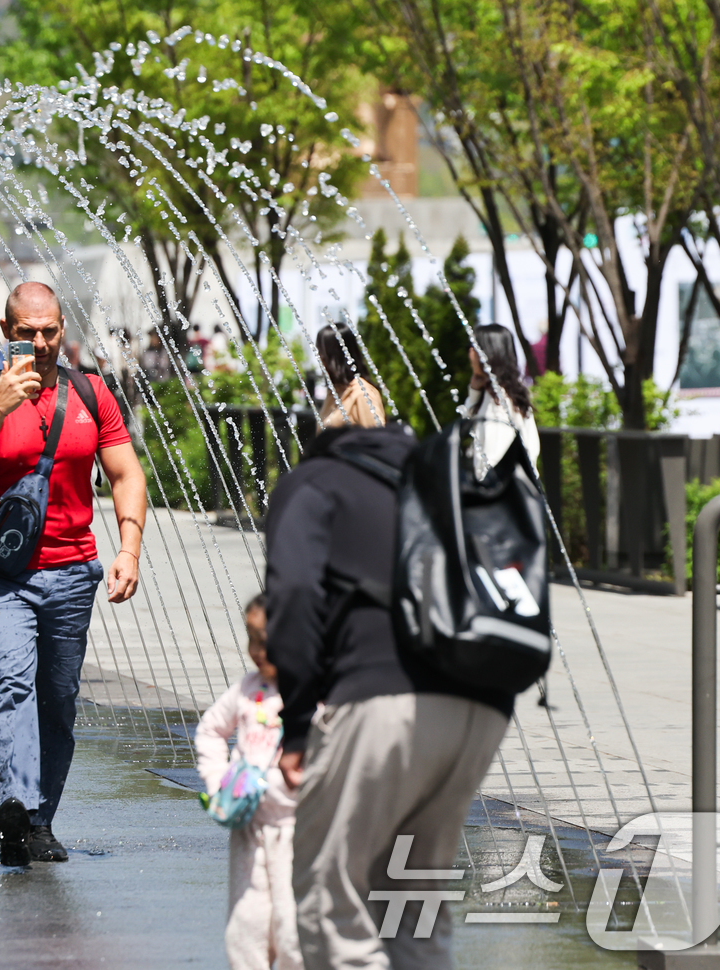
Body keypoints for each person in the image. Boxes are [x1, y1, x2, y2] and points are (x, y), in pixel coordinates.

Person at [265, 421, 513, 969]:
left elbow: (294, 594)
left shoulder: (313, 483)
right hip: (485, 703)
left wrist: (299, 726)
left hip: (384, 705)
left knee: (332, 902)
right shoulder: (444, 480)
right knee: (412, 906)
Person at [0, 281, 147, 866]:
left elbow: (128, 475)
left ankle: (40, 821)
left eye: (50, 330)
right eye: (27, 331)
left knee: (57, 701)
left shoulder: (90, 392)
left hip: (73, 573)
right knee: (9, 683)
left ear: (62, 328)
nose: (40, 342)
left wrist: (128, 548)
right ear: (7, 332)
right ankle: (15, 807)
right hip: (1, 578)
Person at [195, 593, 301, 970]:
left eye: (266, 641)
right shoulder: (246, 689)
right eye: (251, 637)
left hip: (299, 831)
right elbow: (210, 731)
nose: (257, 650)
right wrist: (218, 782)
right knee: (246, 925)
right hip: (250, 827)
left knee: (294, 930)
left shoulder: (312, 694)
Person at [465, 323, 539, 479]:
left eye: (474, 347)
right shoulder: (501, 393)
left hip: (499, 494)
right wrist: (474, 392)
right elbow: (466, 424)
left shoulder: (500, 402)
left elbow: (495, 459)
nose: (470, 353)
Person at [315, 323, 385, 429]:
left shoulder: (362, 394)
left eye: (323, 355)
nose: (319, 359)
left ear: (336, 356)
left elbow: (377, 439)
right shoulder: (334, 393)